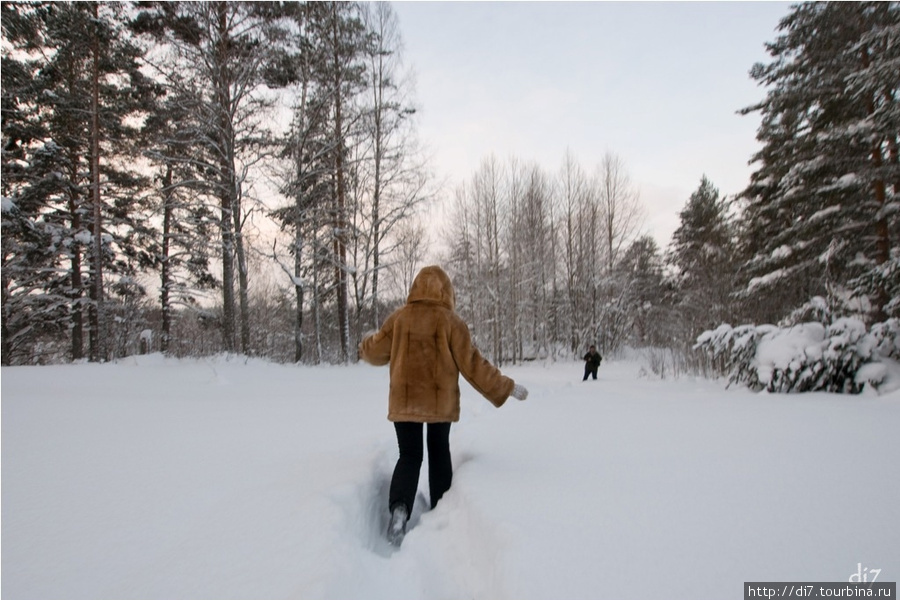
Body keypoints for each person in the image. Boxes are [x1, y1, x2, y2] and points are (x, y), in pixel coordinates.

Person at [359, 265, 529, 547]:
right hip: (440, 404)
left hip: (406, 403)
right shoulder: (451, 322)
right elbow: (474, 365)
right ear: (447, 291)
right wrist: (505, 386)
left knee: (409, 456)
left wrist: (363, 346)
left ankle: (400, 510)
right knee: (439, 452)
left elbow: (376, 350)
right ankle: (440, 510)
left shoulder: (398, 319)